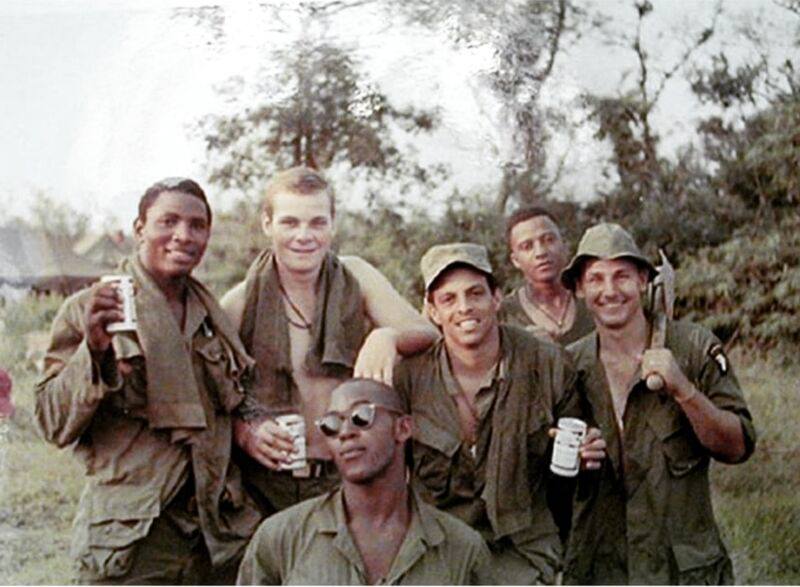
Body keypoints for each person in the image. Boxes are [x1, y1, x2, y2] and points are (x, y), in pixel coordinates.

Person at [35, 178, 261, 584]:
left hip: (213, 534)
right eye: (168, 221)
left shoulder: (212, 319)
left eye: (197, 225)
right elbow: (52, 422)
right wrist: (95, 352)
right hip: (133, 537)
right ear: (139, 229)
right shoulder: (93, 309)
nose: (183, 235)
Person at [221, 166, 438, 516]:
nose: (304, 236)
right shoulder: (238, 303)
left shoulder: (357, 277)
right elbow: (211, 395)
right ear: (267, 224)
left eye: (317, 223)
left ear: (333, 224)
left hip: (349, 477)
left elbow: (429, 335)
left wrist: (389, 337)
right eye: (290, 222)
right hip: (265, 486)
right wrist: (245, 432)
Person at [393, 242, 606, 585]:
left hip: (523, 551)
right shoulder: (409, 377)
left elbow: (573, 478)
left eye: (475, 293)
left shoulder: (548, 364)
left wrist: (587, 456)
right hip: (438, 549)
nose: (464, 307)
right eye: (448, 299)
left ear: (496, 298)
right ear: (432, 310)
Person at [560, 222, 757, 585]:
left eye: (621, 276)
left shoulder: (693, 346)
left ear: (643, 280)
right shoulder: (567, 366)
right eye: (596, 279)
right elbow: (543, 481)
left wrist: (684, 391)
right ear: (580, 289)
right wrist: (573, 458)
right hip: (600, 569)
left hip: (682, 571)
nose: (609, 291)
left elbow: (737, 447)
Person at [237, 378, 492, 585]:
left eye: (361, 416)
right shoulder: (282, 537)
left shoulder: (460, 548)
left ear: (403, 428)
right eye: (331, 424)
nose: (345, 432)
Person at [500, 207, 594, 345]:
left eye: (549, 240)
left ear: (564, 245)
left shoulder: (595, 300)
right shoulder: (506, 314)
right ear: (515, 260)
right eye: (527, 246)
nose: (540, 252)